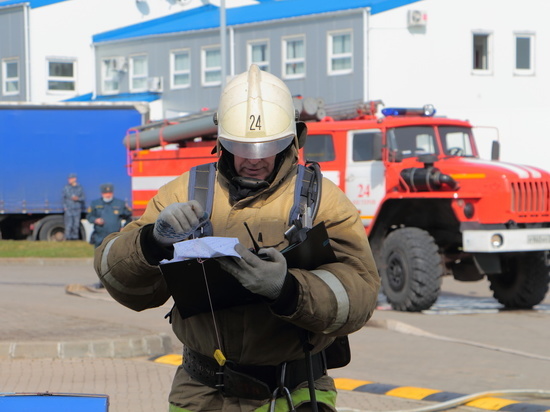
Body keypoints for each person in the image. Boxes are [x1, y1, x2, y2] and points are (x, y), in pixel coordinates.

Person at [93, 65, 380, 412]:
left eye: (268, 146)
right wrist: (151, 243)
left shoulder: (322, 201)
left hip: (293, 394)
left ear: (292, 139)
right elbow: (116, 277)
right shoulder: (183, 192)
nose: (254, 160)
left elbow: (361, 295)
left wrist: (289, 290)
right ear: (221, 141)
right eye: (242, 147)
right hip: (201, 395)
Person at [86, 183, 132, 249]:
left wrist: (125, 227)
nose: (108, 195)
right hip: (100, 237)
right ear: (102, 194)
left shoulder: (120, 203)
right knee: (100, 256)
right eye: (105, 193)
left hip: (115, 236)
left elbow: (129, 217)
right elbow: (89, 216)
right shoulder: (95, 203)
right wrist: (95, 220)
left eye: (110, 193)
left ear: (112, 193)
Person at [62, 173, 85, 240]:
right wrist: (65, 207)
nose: (69, 180)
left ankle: (75, 238)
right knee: (69, 225)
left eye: (71, 179)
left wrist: (78, 198)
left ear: (75, 179)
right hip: (69, 209)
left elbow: (83, 197)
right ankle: (68, 238)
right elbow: (63, 198)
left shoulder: (79, 188)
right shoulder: (66, 188)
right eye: (69, 179)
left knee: (76, 225)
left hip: (77, 209)